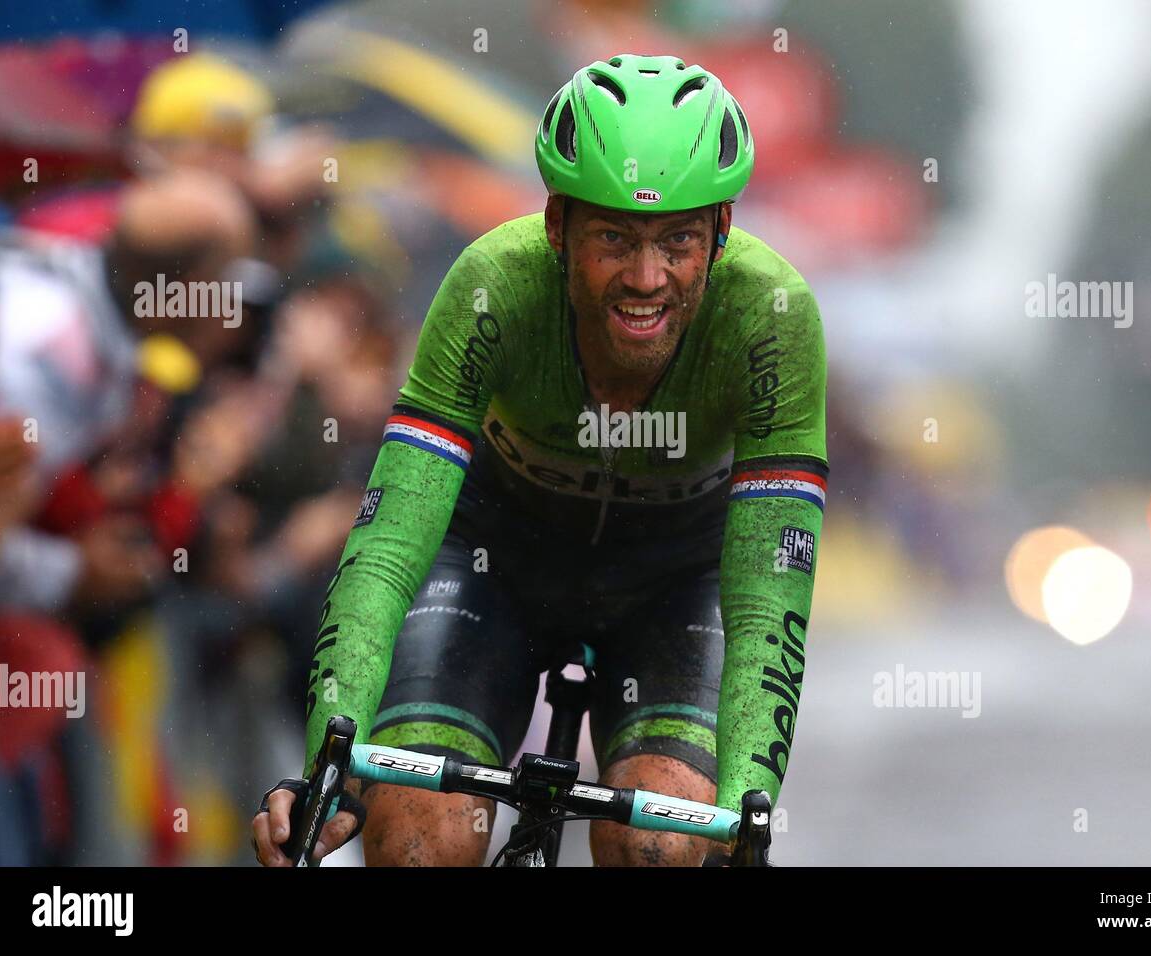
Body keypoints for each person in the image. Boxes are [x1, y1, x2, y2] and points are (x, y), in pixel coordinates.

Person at [252, 53, 827, 866]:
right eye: (613, 238)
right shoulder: (493, 283)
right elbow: (386, 547)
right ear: (557, 225)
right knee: (420, 836)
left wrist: (744, 809)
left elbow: (769, 595)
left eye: (680, 241)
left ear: (721, 233)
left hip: (671, 583)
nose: (646, 278)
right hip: (494, 558)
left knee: (661, 842)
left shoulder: (771, 317)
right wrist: (327, 767)